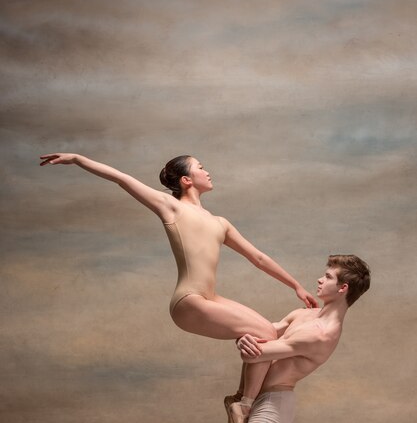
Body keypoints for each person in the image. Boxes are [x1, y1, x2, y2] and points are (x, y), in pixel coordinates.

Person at [40, 152, 317, 406]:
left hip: (211, 299)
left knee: (265, 331)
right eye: (201, 167)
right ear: (186, 180)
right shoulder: (171, 207)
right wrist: (77, 158)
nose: (207, 171)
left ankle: (239, 399)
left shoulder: (220, 223)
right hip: (189, 300)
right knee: (265, 334)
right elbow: (121, 179)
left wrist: (296, 285)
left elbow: (258, 258)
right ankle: (245, 405)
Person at [222, 254, 371, 423]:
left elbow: (256, 352)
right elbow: (258, 334)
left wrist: (245, 340)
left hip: (272, 402)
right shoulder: (303, 315)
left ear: (343, 288)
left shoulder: (322, 334)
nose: (319, 279)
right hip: (248, 397)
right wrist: (243, 338)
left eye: (328, 276)